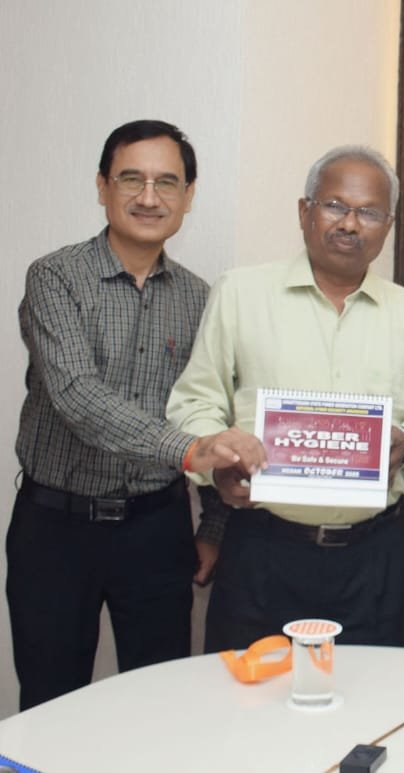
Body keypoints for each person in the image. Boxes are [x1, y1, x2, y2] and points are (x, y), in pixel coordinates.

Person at [166, 144, 404, 651]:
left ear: (388, 226)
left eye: (369, 212)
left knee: (367, 693)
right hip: (261, 551)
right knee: (246, 692)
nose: (350, 224)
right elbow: (194, 402)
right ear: (304, 211)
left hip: (372, 558)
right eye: (334, 206)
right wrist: (218, 458)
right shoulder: (240, 293)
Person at [8, 119, 267, 710]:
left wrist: (213, 528)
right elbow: (77, 396)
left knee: (160, 705)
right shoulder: (55, 277)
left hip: (158, 529)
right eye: (132, 179)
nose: (149, 197)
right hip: (55, 530)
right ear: (102, 186)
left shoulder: (201, 298)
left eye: (167, 182)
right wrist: (188, 450)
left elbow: (217, 410)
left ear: (188, 195)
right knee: (51, 706)